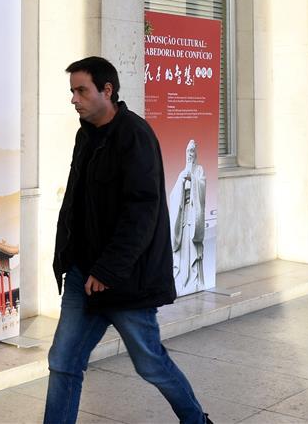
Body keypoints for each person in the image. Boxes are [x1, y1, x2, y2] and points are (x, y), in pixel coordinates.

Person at [45, 56, 211, 424]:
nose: (74, 99)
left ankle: (196, 420)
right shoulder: (85, 134)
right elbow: (76, 202)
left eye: (82, 90)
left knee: (150, 363)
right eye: (72, 91)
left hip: (124, 281)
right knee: (63, 362)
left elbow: (142, 212)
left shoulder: (135, 136)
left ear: (108, 90)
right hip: (82, 275)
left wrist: (107, 269)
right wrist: (69, 260)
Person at [169, 140, 206, 295]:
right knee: (183, 250)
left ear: (195, 154)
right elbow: (173, 196)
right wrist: (181, 181)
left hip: (193, 215)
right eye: (188, 152)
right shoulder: (182, 172)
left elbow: (202, 187)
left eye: (192, 151)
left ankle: (195, 279)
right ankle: (182, 281)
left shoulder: (199, 170)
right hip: (183, 216)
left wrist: (193, 180)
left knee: (193, 249)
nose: (190, 154)